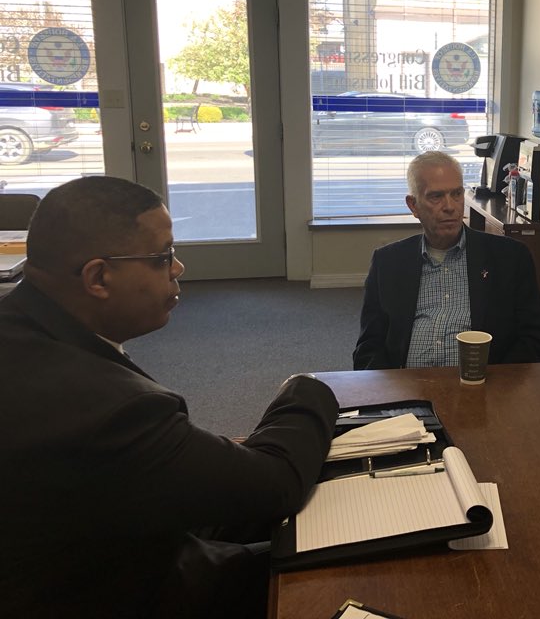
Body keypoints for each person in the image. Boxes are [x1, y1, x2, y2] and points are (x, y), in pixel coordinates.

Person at [0, 177, 339, 618]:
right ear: (98, 277)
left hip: (88, 543)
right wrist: (309, 386)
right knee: (347, 558)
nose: (178, 268)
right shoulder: (111, 408)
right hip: (120, 592)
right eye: (162, 257)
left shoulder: (18, 326)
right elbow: (278, 485)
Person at [353, 151, 540, 369]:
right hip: (406, 383)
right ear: (413, 206)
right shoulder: (387, 263)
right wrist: (389, 387)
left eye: (456, 194)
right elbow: (368, 348)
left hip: (483, 383)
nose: (450, 206)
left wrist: (497, 383)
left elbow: (534, 341)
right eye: (436, 196)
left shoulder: (510, 258)